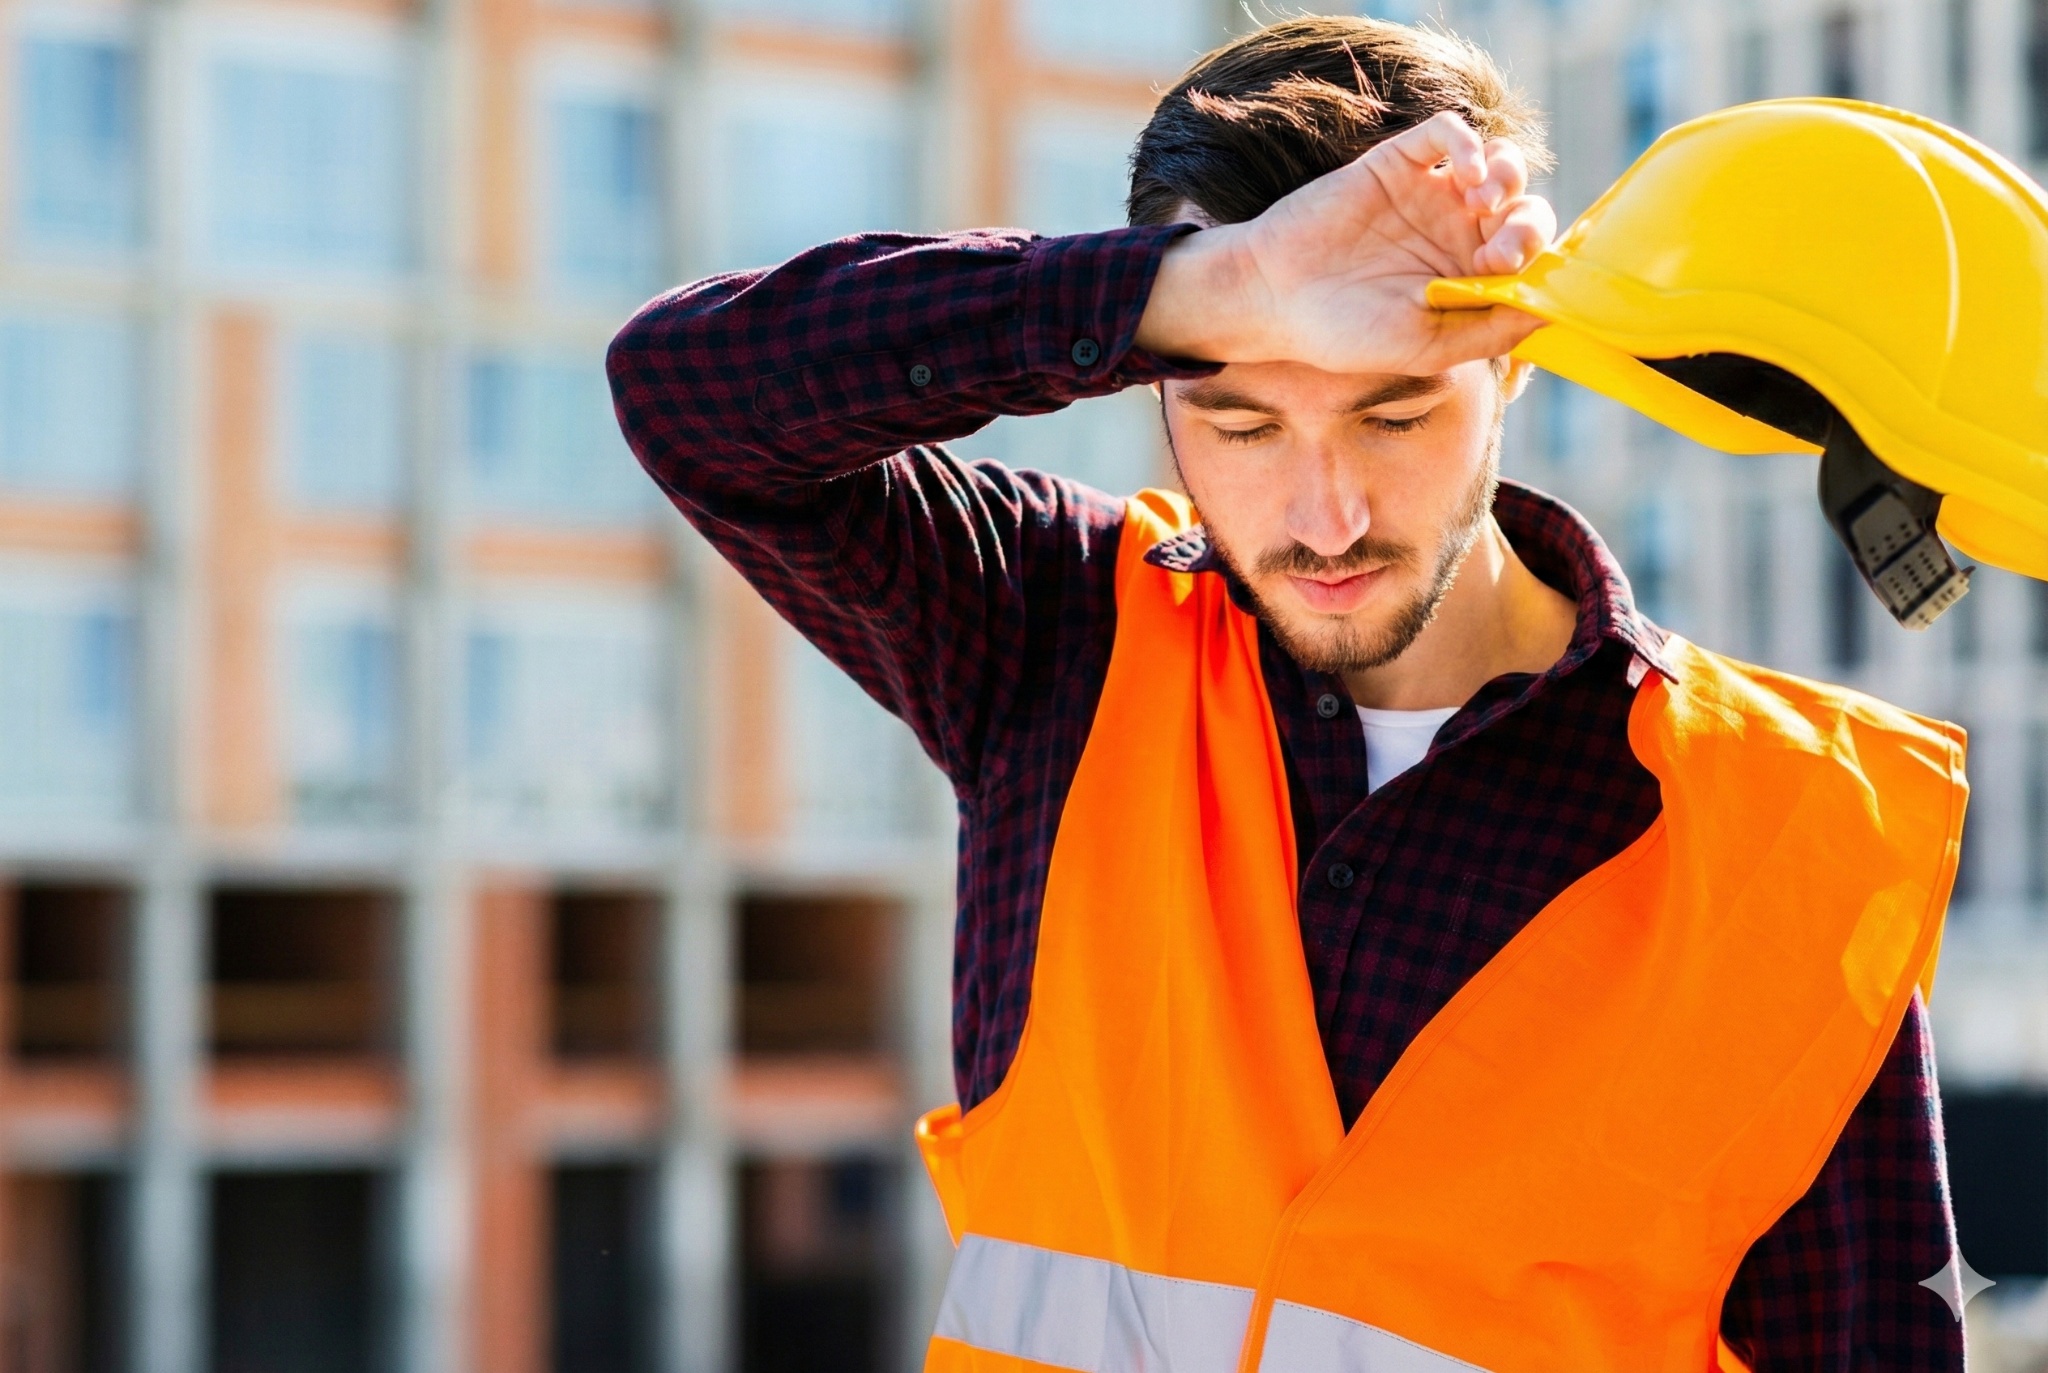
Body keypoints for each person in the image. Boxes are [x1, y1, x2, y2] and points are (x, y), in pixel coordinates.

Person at [609, 16, 1966, 1372]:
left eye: (1395, 412)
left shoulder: (1789, 843)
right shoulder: (1055, 632)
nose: (1324, 517)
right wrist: (1205, 288)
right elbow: (687, 393)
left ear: (1515, 358)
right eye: (1241, 418)